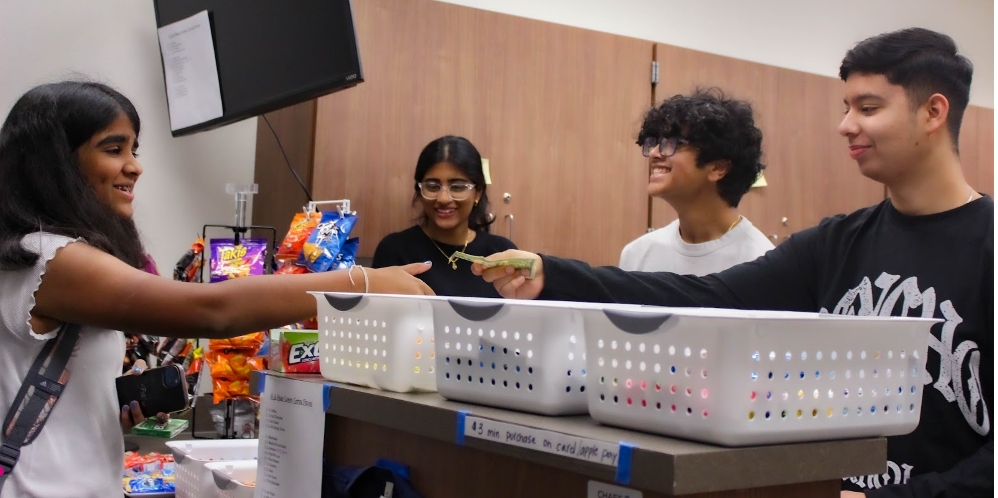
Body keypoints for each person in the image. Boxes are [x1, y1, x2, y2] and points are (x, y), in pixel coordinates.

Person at [475, 28, 992, 497]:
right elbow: (706, 297)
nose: (845, 126)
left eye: (868, 107)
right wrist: (554, 273)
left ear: (933, 112)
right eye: (846, 107)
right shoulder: (837, 242)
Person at [0, 81, 434, 498]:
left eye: (134, 149)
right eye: (114, 150)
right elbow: (213, 309)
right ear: (55, 162)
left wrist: (99, 407)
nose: (134, 165)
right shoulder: (49, 258)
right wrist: (362, 280)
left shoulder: (42, 257)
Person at [620, 88, 773, 274]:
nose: (653, 153)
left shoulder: (761, 265)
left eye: (673, 142)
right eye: (654, 142)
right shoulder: (638, 255)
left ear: (718, 167)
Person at [373, 135, 515, 297]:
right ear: (419, 192)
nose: (443, 198)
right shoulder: (394, 249)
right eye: (432, 186)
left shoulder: (502, 252)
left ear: (478, 192)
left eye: (458, 187)